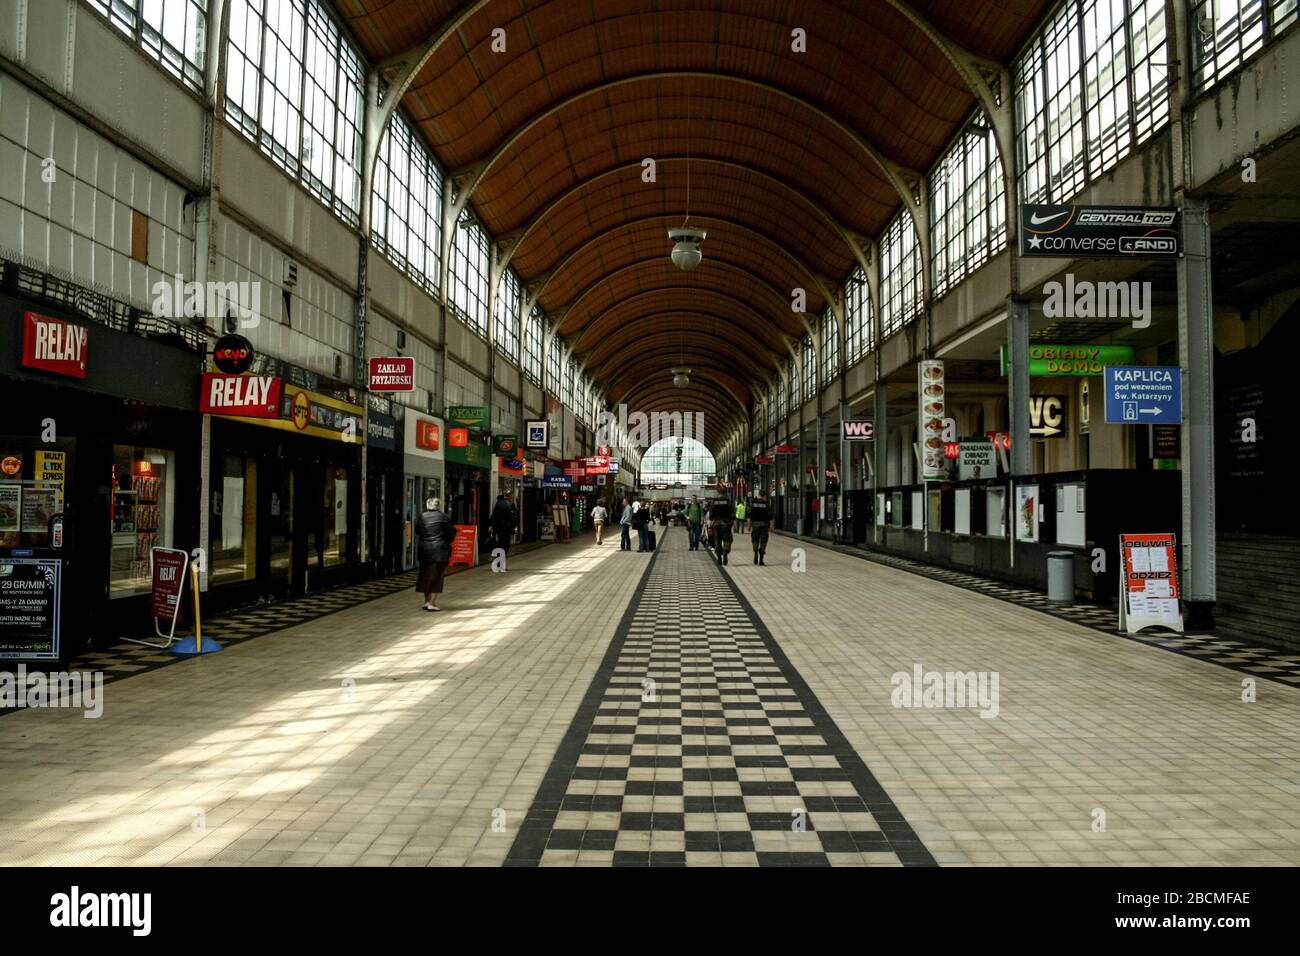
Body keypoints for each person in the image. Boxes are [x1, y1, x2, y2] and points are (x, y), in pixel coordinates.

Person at [415, 497, 457, 611]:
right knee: (437, 577)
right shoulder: (444, 517)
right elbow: (451, 533)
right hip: (440, 551)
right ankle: (432, 603)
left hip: (424, 551)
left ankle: (426, 601)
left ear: (428, 505)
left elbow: (417, 531)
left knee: (425, 576)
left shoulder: (421, 516)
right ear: (438, 506)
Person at [709, 497, 734, 566]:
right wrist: (731, 522)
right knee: (727, 540)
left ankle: (719, 558)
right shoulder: (728, 501)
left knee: (717, 541)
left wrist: (712, 520)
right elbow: (732, 513)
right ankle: (725, 551)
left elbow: (711, 514)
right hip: (726, 524)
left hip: (716, 524)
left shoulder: (714, 501)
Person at [491, 492, 517, 557]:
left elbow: (493, 516)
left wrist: (491, 526)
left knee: (501, 542)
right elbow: (513, 517)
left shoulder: (498, 505)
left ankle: (500, 558)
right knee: (506, 543)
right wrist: (514, 526)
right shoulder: (509, 504)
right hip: (507, 527)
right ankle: (503, 556)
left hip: (499, 527)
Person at [748, 491, 772, 566]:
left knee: (755, 540)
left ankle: (755, 552)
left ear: (758, 495)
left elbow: (749, 516)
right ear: (764, 496)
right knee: (763, 542)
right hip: (764, 526)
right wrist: (771, 527)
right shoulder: (767, 504)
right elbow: (771, 517)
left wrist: (749, 526)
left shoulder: (752, 504)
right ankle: (761, 560)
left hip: (755, 526)